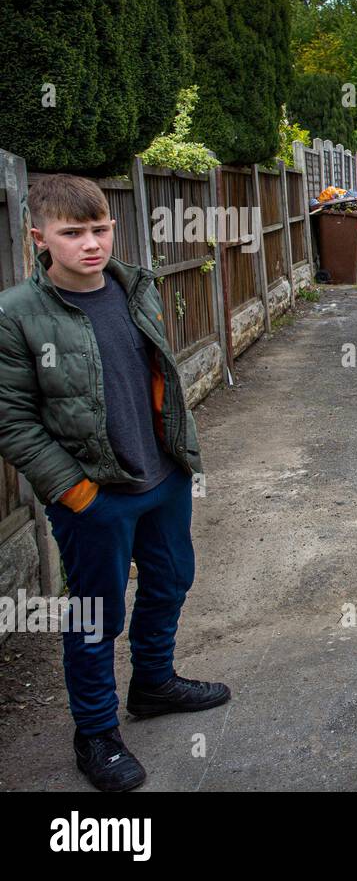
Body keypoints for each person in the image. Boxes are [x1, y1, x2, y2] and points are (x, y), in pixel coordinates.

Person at [0, 174, 230, 792]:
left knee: (172, 580)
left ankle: (154, 683)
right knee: (96, 615)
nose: (91, 243)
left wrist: (179, 457)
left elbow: (156, 376)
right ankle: (96, 734)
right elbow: (11, 419)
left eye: (99, 229)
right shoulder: (16, 314)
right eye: (72, 233)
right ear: (38, 237)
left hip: (164, 477)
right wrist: (76, 494)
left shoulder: (136, 287)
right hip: (93, 497)